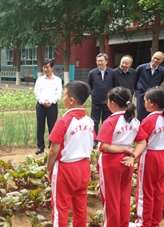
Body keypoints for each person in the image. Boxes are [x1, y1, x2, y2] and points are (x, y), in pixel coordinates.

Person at [96, 87, 147, 227]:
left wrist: (124, 149)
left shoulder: (110, 121)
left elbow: (105, 146)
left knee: (111, 199)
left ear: (112, 103)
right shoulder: (134, 121)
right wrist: (132, 155)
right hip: (127, 162)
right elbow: (142, 142)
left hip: (111, 163)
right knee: (124, 197)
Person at [46, 81, 95, 226]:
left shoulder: (64, 121)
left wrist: (48, 167)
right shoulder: (90, 121)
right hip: (84, 167)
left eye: (64, 95)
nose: (63, 98)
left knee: (60, 207)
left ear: (71, 100)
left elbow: (53, 150)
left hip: (66, 168)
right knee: (80, 206)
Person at [135, 88, 164, 227]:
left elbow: (140, 140)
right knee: (158, 190)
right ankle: (154, 221)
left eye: (145, 100)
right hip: (162, 154)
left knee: (145, 191)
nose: (144, 103)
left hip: (151, 155)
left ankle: (143, 222)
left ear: (152, 103)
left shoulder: (150, 119)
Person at [87, 53, 117, 148]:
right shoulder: (92, 73)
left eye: (101, 61)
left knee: (106, 122)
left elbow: (115, 86)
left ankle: (105, 139)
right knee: (94, 121)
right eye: (98, 61)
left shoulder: (112, 72)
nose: (99, 63)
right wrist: (93, 94)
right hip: (96, 101)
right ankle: (94, 140)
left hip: (108, 102)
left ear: (106, 62)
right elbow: (89, 86)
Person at [34, 59, 62, 155]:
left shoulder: (57, 80)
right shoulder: (40, 80)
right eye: (44, 67)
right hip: (41, 105)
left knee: (52, 126)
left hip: (52, 106)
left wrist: (51, 101)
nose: (45, 69)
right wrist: (43, 101)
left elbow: (58, 94)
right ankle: (40, 146)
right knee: (40, 126)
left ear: (52, 68)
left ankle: (51, 146)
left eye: (47, 67)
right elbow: (36, 92)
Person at [135, 51, 164, 121]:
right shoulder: (141, 67)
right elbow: (135, 79)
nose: (155, 60)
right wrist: (138, 89)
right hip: (141, 94)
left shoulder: (162, 70)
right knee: (141, 114)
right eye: (154, 58)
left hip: (153, 95)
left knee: (151, 114)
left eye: (158, 59)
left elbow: (160, 81)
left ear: (162, 61)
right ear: (152, 57)